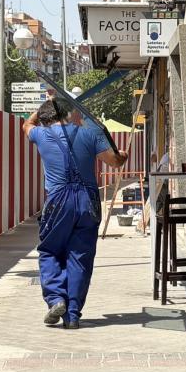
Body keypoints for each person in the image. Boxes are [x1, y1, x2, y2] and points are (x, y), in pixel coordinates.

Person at [24, 95, 126, 329]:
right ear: (69, 114)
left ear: (46, 118)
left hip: (58, 201)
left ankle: (56, 298)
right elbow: (116, 161)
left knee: (50, 250)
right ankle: (72, 315)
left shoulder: (41, 134)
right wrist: (124, 154)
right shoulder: (90, 134)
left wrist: (43, 107)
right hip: (87, 200)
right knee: (80, 257)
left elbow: (26, 125)